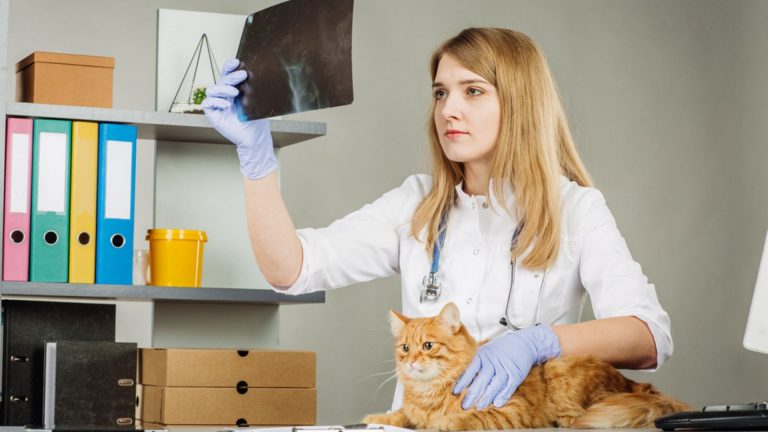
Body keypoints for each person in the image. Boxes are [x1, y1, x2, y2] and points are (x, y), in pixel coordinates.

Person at [202, 27, 672, 412]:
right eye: (441, 93)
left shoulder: (575, 209)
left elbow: (648, 337)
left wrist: (538, 341)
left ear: (521, 102)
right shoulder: (417, 204)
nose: (449, 109)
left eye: (473, 91)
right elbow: (291, 268)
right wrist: (257, 161)